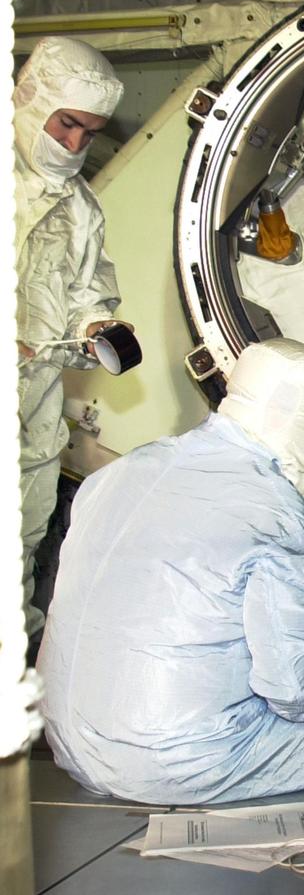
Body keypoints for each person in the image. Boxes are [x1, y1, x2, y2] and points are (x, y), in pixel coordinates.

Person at [38, 340, 304, 804]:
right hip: (179, 761)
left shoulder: (118, 472)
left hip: (70, 746)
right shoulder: (273, 507)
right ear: (295, 418)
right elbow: (295, 693)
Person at [14, 36, 128, 644]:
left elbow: (86, 290)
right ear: (31, 98)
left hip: (32, 407)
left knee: (20, 542)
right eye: (67, 124)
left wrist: (94, 327)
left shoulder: (80, 206)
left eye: (90, 132)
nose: (76, 144)